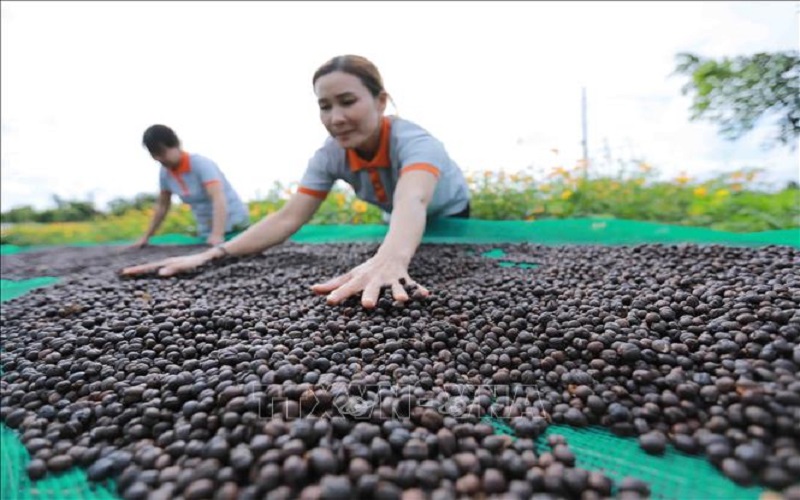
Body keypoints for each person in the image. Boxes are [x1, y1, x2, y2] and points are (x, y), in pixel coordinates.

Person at [122, 55, 471, 309]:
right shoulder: (330, 155)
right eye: (325, 106)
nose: (336, 118)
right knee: (395, 250)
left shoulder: (415, 142)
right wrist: (213, 254)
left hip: (451, 214)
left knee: (422, 256)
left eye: (348, 102)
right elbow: (288, 218)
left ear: (380, 101)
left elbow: (413, 200)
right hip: (396, 219)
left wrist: (390, 259)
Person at [130, 124, 251, 248]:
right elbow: (162, 206)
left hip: (234, 223)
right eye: (154, 154)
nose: (158, 158)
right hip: (206, 230)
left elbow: (218, 198)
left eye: (162, 153)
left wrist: (217, 234)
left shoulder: (200, 164)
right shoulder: (165, 173)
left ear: (175, 145)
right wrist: (146, 237)